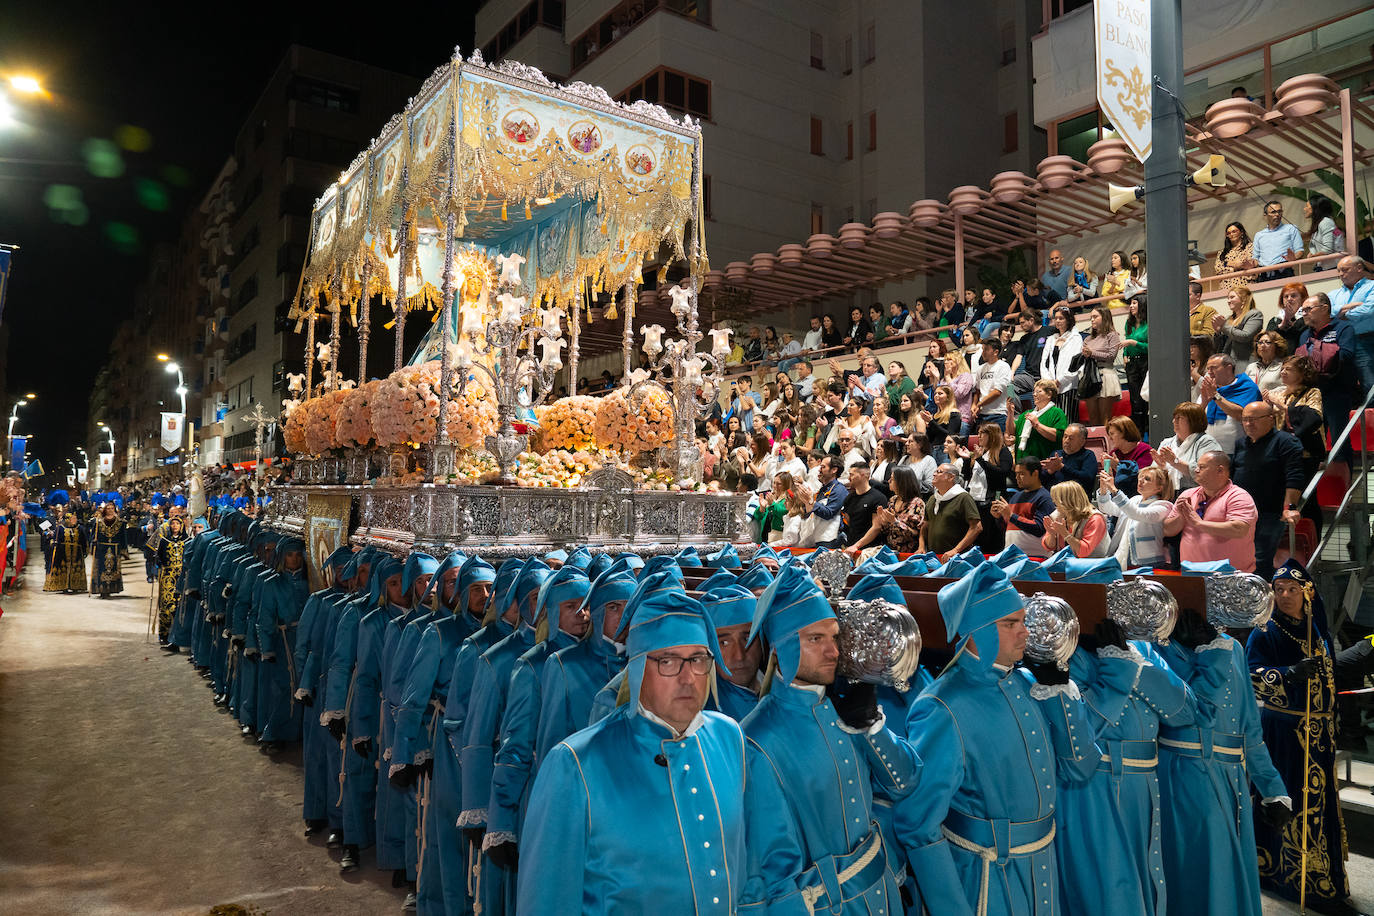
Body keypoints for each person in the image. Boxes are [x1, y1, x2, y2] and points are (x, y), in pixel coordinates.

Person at [519, 584, 747, 914]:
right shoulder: (575, 764)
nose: (688, 678)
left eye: (698, 660)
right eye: (668, 661)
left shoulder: (728, 737)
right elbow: (547, 902)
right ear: (637, 668)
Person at [893, 563, 1100, 916]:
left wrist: (1060, 689)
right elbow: (917, 823)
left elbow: (1081, 769)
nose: (1025, 632)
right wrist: (951, 908)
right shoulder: (942, 707)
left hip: (1043, 868)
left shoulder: (1026, 683)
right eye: (1010, 623)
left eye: (1023, 621)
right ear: (979, 630)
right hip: (986, 881)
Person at [739, 563, 920, 914]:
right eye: (815, 639)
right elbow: (772, 873)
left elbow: (905, 783)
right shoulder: (756, 741)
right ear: (780, 649)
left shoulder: (842, 708)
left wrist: (872, 724)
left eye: (834, 637)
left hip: (882, 893)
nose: (833, 652)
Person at [1155, 607, 1291, 916]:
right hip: (1182, 778)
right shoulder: (1157, 650)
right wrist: (1204, 652)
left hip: (1232, 781)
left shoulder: (1232, 647)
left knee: (1229, 875)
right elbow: (1187, 710)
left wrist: (1272, 788)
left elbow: (1249, 726)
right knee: (1197, 875)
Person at [1248, 561, 1358, 916]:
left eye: (1292, 589)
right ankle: (1303, 884)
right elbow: (1250, 676)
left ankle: (1322, 881)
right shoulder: (1265, 630)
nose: (1284, 596)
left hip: (1319, 735)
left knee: (1319, 806)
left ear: (1307, 593)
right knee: (1295, 805)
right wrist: (1288, 674)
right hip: (1285, 734)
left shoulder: (1317, 629)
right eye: (1278, 590)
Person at [1232, 402, 1305, 579]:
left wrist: (1289, 507)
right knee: (1238, 560)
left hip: (1270, 513)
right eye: (1245, 419)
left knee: (1260, 561)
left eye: (1254, 419)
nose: (1248, 424)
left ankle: (1262, 595)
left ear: (1271, 419)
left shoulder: (1286, 441)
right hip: (1242, 514)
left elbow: (1294, 476)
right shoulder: (1241, 443)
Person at [1162, 450, 1259, 571]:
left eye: (1202, 467)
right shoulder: (1187, 495)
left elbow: (1239, 529)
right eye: (1197, 466)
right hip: (1192, 574)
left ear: (1220, 470)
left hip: (1230, 576)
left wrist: (1199, 523)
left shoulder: (1238, 496)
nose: (1196, 470)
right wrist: (1182, 515)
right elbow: (1168, 530)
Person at [1297, 292, 1360, 446]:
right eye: (1302, 310)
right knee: (1313, 441)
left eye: (1308, 309)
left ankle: (1343, 462)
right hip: (1312, 394)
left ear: (1324, 308)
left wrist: (1318, 352)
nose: (1304, 314)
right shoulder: (1304, 335)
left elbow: (1346, 355)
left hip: (1337, 392)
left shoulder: (1343, 328)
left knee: (1339, 440)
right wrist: (1325, 355)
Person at [1099, 464, 1174, 569]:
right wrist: (1104, 489)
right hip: (1126, 556)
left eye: (1147, 479)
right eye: (1140, 477)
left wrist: (1114, 489)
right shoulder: (1135, 500)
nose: (1141, 480)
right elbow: (1107, 508)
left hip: (1150, 562)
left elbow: (1136, 514)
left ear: (1159, 488)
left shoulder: (1163, 506)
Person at [846, 464, 924, 555]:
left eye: (892, 479)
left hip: (908, 554)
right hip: (889, 551)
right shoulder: (893, 500)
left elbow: (915, 534)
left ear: (901, 482)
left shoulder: (917, 503)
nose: (889, 481)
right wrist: (883, 521)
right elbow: (886, 530)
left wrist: (894, 522)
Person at [990, 456, 1055, 558]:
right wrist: (999, 517)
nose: (1017, 478)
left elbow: (1039, 529)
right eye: (1016, 474)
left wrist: (1011, 516)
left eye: (1022, 474)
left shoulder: (1044, 498)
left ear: (1035, 473)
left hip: (1036, 558)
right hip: (1012, 556)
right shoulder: (1015, 497)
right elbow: (1008, 527)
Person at [1198, 353, 1263, 454]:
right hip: (1209, 451)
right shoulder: (1210, 388)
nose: (1209, 372)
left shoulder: (1247, 387)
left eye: (1213, 368)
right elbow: (1196, 419)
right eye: (1208, 369)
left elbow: (1241, 414)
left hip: (1238, 452)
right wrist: (1204, 402)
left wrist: (1216, 396)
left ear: (1228, 368)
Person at [1330, 254, 1374, 393]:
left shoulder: (1372, 286)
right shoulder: (1333, 294)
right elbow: (1328, 313)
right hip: (1340, 344)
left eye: (1345, 270)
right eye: (1339, 271)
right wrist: (1348, 307)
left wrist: (1343, 315)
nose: (1340, 274)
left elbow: (1368, 310)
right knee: (1346, 386)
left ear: (1359, 268)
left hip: (1366, 340)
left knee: (1369, 383)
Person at [1155, 401, 1221, 493]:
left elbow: (1206, 474)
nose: (1174, 421)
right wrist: (1161, 467)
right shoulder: (1166, 443)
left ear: (1193, 421)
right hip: (1167, 493)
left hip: (1197, 493)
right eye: (1174, 418)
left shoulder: (1206, 442)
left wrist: (1175, 462)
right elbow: (1154, 475)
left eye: (1179, 418)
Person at [1041, 480, 1109, 558]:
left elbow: (1084, 552)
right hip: (1066, 561)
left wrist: (1065, 534)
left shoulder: (1095, 519)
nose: (1054, 502)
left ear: (1068, 501)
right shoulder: (1058, 514)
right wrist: (1052, 535)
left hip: (1092, 563)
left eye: (1056, 499)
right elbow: (1048, 547)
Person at [1041, 305, 1084, 419]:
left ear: (1068, 320)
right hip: (1051, 387)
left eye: (1061, 318)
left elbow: (1076, 364)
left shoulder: (1075, 338)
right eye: (1056, 318)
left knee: (1067, 421)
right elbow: (1044, 363)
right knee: (1053, 421)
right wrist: (1049, 382)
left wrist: (1059, 380)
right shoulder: (1051, 339)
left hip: (1068, 386)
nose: (1058, 321)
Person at [155, 514, 189, 647]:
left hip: (182, 576)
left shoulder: (188, 541)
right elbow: (159, 557)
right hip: (167, 576)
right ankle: (164, 634)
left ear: (182, 526)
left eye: (177, 524)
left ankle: (179, 636)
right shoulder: (164, 541)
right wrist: (158, 562)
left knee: (181, 605)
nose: (175, 526)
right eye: (173, 524)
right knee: (166, 604)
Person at [1012, 378, 1068, 459]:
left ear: (1049, 394)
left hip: (1044, 459)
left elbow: (1058, 436)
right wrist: (1010, 413)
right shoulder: (1027, 413)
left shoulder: (1057, 412)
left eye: (1038, 392)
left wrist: (1037, 425)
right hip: (1022, 460)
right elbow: (1012, 431)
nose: (1034, 394)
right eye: (1034, 392)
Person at [800, 455, 847, 548]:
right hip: (816, 537)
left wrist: (811, 501)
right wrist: (805, 503)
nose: (819, 470)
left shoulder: (839, 490)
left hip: (830, 540)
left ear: (834, 470)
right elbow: (811, 512)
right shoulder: (822, 490)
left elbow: (829, 513)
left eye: (823, 467)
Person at [1252, 200, 1304, 281]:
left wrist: (1293, 258)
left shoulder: (1291, 228)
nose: (1277, 214)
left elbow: (1300, 251)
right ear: (1265, 215)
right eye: (1273, 212)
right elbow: (1255, 259)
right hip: (1264, 274)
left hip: (1284, 271)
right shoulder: (1259, 235)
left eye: (1279, 211)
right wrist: (1250, 265)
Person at [840, 461, 888, 548]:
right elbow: (848, 522)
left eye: (852, 475)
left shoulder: (878, 498)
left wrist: (856, 546)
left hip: (870, 549)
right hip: (851, 546)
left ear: (863, 475)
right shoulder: (849, 498)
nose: (849, 478)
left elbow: (876, 527)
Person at [1043, 422, 1100, 493]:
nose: (1066, 441)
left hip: (1076, 497)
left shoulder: (1088, 455)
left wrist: (1062, 468)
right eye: (1065, 437)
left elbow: (1087, 478)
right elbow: (1042, 481)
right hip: (1053, 496)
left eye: (1071, 438)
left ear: (1082, 441)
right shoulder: (1056, 454)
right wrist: (1049, 471)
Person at [1213, 286, 1264, 363]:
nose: (1228, 301)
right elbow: (1219, 347)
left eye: (1232, 297)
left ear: (1243, 299)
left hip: (1245, 362)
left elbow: (1245, 336)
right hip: (1227, 362)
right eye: (1228, 298)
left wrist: (1224, 326)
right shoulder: (1228, 318)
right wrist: (1218, 332)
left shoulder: (1254, 314)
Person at [972, 336, 1013, 430]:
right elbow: (977, 390)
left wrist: (979, 404)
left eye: (986, 349)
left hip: (998, 414)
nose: (983, 352)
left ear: (995, 352)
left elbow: (997, 392)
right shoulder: (980, 369)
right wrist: (974, 404)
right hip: (982, 415)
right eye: (982, 349)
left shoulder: (1003, 366)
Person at [1122, 294, 1149, 433]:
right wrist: (1125, 355)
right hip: (1131, 364)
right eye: (1130, 304)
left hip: (1145, 362)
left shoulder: (1149, 323)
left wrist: (1134, 343)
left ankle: (1148, 430)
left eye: (1134, 303)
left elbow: (1151, 347)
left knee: (1145, 398)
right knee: (1135, 399)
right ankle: (1137, 432)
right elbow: (1126, 343)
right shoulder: (1129, 323)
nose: (1131, 306)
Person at [89, 503, 127, 598]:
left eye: (112, 508)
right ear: (105, 510)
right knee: (101, 569)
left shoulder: (120, 522)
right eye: (108, 508)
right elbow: (93, 535)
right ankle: (102, 589)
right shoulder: (98, 522)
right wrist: (93, 542)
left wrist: (123, 551)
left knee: (113, 569)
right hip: (101, 549)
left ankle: (111, 588)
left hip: (115, 549)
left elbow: (123, 537)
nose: (110, 510)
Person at [44, 512, 86, 594]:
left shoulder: (80, 528)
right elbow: (55, 539)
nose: (75, 520)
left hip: (76, 553)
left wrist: (85, 551)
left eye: (75, 518)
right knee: (63, 568)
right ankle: (63, 586)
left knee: (75, 568)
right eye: (72, 519)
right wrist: (54, 544)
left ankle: (75, 586)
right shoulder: (60, 528)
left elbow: (83, 540)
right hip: (62, 552)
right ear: (67, 520)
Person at [1215, 221, 1256, 290]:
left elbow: (1247, 264)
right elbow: (1218, 269)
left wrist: (1227, 263)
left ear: (1241, 232)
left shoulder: (1250, 247)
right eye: (1228, 233)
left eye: (1234, 231)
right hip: (1226, 288)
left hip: (1245, 286)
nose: (1231, 234)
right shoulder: (1221, 253)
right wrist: (1234, 267)